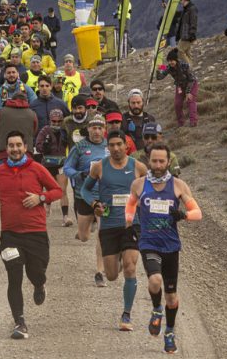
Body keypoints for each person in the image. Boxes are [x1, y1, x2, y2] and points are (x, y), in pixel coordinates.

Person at [0, 131, 62, 339]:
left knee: (36, 272)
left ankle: (39, 284)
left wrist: (40, 198)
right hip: (10, 235)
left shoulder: (37, 169)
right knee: (14, 276)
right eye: (11, 145)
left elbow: (57, 191)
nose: (15, 149)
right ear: (6, 149)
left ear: (25, 147)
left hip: (36, 233)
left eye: (18, 145)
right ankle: (19, 322)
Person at [125, 142, 203, 354]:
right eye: (154, 161)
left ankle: (169, 331)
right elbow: (130, 204)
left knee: (172, 297)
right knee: (154, 280)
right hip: (149, 242)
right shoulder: (139, 185)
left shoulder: (178, 186)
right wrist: (129, 223)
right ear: (148, 161)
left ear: (168, 162)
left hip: (170, 246)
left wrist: (184, 215)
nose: (158, 165)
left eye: (162, 161)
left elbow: (198, 213)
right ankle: (156, 309)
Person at [81, 130, 149, 331]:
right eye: (112, 145)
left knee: (130, 267)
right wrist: (94, 204)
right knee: (111, 275)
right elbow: (85, 189)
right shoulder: (99, 167)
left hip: (132, 224)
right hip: (109, 226)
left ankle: (126, 315)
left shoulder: (138, 167)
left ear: (126, 145)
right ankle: (117, 260)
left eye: (119, 144)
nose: (116, 148)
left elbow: (152, 189)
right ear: (107, 147)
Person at [63, 115, 109, 286]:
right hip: (84, 196)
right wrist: (80, 174)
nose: (96, 131)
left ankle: (100, 272)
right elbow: (67, 168)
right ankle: (85, 229)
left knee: (103, 235)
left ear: (104, 130)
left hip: (104, 198)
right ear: (88, 129)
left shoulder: (110, 146)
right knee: (84, 237)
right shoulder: (80, 147)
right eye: (93, 128)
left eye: (100, 128)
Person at [33, 109, 73, 226]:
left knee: (63, 190)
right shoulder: (44, 130)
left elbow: (72, 145)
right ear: (50, 120)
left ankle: (65, 217)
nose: (56, 123)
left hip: (61, 163)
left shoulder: (65, 131)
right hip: (47, 164)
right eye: (54, 121)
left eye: (59, 121)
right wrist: (45, 145)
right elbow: (38, 147)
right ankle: (46, 210)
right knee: (48, 189)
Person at [157, 49, 199, 127]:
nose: (170, 62)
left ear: (176, 59)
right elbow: (160, 76)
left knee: (190, 100)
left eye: (172, 60)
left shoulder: (184, 65)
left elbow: (191, 79)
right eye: (169, 61)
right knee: (177, 104)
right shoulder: (168, 67)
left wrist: (188, 92)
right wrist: (157, 70)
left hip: (191, 84)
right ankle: (181, 123)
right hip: (180, 86)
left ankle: (193, 122)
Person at [175, 0, 198, 64]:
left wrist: (192, 35)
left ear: (184, 0)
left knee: (179, 52)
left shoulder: (192, 9)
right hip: (184, 35)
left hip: (187, 36)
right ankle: (190, 69)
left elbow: (193, 22)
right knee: (187, 53)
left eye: (181, 0)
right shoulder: (186, 9)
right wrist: (166, 7)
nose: (180, 2)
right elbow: (176, 14)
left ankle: (188, 67)